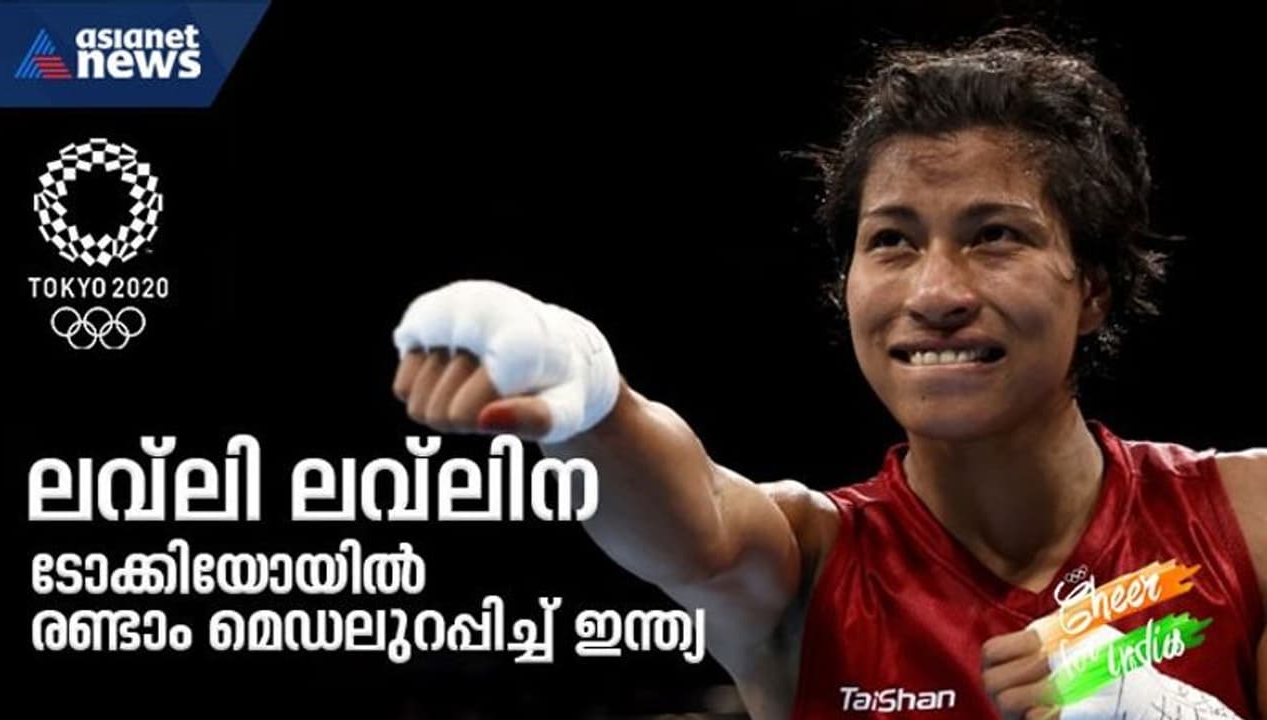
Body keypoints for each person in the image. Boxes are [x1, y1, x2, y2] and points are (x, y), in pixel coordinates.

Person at [389, 28, 1265, 719]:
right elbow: (698, 522)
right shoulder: (807, 568)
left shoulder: (1251, 519)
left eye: (995, 235)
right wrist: (583, 387)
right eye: (892, 241)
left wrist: (1175, 715)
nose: (935, 293)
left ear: (1095, 289)